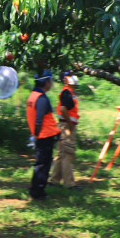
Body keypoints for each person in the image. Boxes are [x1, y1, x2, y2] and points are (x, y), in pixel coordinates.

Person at [26, 70, 60, 200]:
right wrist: (35, 135)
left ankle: (37, 190)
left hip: (42, 135)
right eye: (50, 81)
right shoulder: (41, 98)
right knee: (43, 165)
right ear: (46, 82)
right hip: (44, 136)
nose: (51, 83)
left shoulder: (32, 96)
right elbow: (39, 119)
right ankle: (37, 192)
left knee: (41, 164)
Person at [48, 70, 81, 190]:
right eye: (70, 75)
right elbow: (63, 108)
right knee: (68, 154)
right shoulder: (67, 92)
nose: (73, 77)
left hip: (63, 125)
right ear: (64, 80)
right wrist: (70, 123)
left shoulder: (68, 92)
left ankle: (54, 180)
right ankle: (69, 184)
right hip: (67, 126)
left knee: (61, 154)